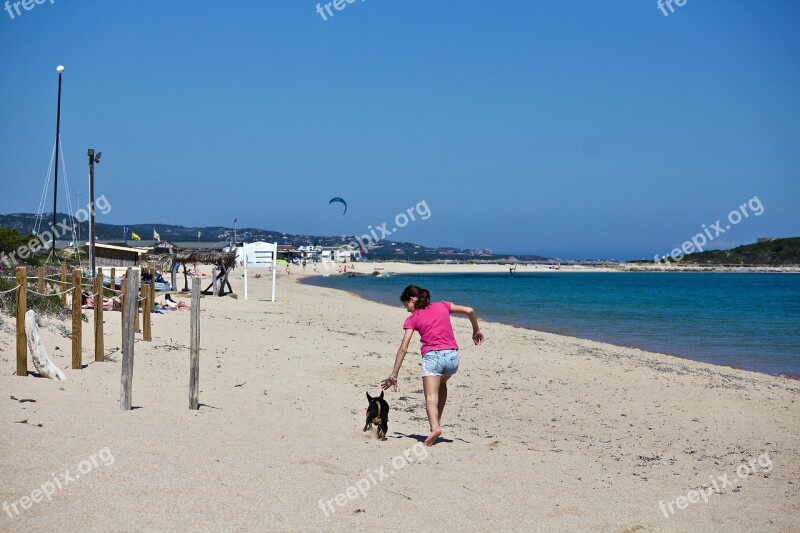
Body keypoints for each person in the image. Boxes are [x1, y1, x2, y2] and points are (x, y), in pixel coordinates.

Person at [382, 285, 483, 446]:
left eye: (406, 305)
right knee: (441, 383)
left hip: (433, 358)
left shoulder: (413, 318)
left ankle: (435, 427)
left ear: (413, 299)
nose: (407, 310)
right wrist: (476, 330)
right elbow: (470, 310)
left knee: (430, 397)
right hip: (452, 358)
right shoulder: (443, 305)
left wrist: (394, 374)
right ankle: (436, 422)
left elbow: (404, 348)